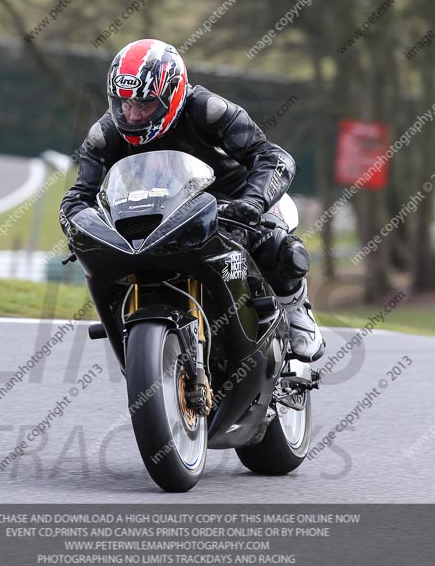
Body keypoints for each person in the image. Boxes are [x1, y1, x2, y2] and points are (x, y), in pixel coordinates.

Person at [59, 38, 325, 362]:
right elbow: (81, 194)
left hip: (234, 204)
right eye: (124, 103)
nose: (133, 114)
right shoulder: (105, 135)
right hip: (160, 211)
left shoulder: (209, 111)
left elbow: (271, 156)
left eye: (145, 104)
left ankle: (297, 311)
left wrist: (253, 202)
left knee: (275, 243)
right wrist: (74, 221)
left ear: (173, 93)